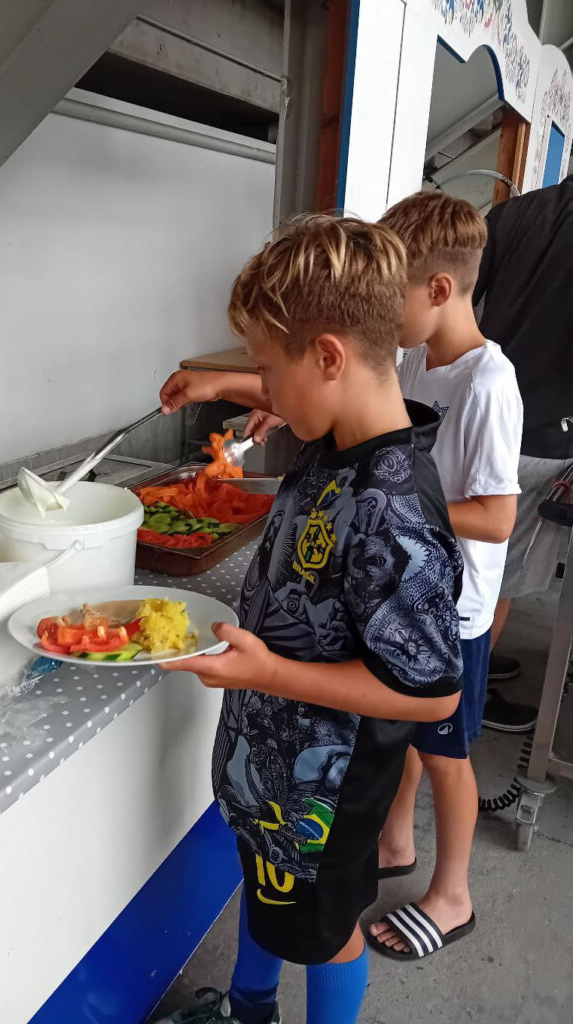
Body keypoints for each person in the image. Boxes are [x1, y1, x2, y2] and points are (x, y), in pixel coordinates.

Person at [155, 213, 464, 1024]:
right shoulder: (337, 431)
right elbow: (293, 390)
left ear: (328, 357)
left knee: (325, 935)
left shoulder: (395, 508)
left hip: (323, 795)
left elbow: (433, 693)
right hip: (275, 773)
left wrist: (270, 673)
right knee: (270, 899)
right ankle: (248, 1009)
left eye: (266, 365)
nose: (264, 385)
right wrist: (221, 384)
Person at [362, 191, 522, 961]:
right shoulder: (421, 359)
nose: (384, 314)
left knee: (445, 754)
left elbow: (495, 516)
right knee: (402, 730)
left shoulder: (488, 384)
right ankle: (396, 841)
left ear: (438, 288)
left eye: (392, 296)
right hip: (411, 591)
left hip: (453, 612)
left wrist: (401, 507)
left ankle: (454, 896)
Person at [471, 173, 573, 732]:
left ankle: (475, 658)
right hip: (544, 437)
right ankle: (468, 691)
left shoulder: (516, 212)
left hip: (482, 417)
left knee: (474, 568)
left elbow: (462, 293)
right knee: (498, 581)